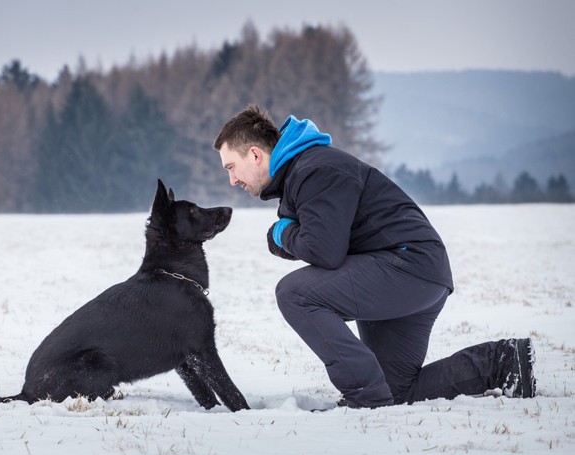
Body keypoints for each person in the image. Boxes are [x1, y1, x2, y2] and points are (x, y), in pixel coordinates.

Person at [213, 104, 536, 408]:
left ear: (254, 154)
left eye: (232, 166)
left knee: (295, 293)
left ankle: (364, 397)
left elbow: (323, 251)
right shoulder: (305, 171)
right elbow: (319, 241)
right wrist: (286, 233)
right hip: (414, 273)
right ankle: (503, 362)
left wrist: (282, 233)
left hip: (406, 268)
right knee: (396, 389)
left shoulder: (316, 170)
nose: (232, 180)